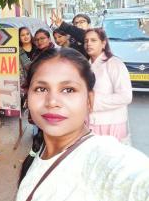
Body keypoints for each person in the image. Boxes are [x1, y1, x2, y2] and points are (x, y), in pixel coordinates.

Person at [16, 48, 149, 201]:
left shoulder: (105, 159)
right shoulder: (40, 150)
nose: (52, 102)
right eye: (41, 89)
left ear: (89, 100)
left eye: (68, 90)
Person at [84, 28, 132, 141]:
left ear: (103, 43)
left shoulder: (115, 64)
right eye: (86, 41)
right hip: (89, 123)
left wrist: (94, 100)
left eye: (93, 40)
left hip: (111, 124)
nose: (88, 43)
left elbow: (126, 96)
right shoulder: (85, 65)